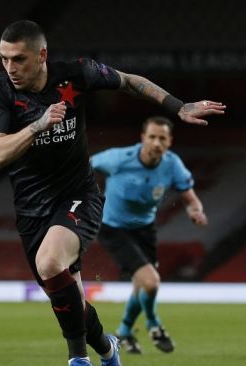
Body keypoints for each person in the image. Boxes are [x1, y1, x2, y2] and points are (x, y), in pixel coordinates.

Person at [0, 20, 225, 366]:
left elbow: (130, 82)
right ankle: (109, 351)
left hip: (78, 195)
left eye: (18, 59)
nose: (10, 68)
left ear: (42, 55)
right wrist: (38, 125)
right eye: (4, 59)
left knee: (49, 262)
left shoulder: (76, 74)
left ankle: (77, 360)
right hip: (31, 209)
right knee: (71, 301)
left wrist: (177, 105)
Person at [91, 116, 208, 354]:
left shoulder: (172, 164)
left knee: (145, 285)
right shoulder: (118, 159)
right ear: (143, 138)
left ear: (169, 142)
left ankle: (123, 333)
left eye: (162, 138)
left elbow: (189, 196)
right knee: (151, 281)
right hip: (114, 228)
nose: (156, 143)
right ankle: (154, 324)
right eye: (152, 137)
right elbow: (83, 167)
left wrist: (195, 210)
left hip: (145, 229)